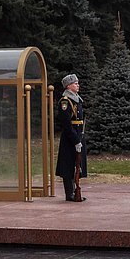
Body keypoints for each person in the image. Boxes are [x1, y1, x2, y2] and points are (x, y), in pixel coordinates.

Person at [55, 73, 87, 202]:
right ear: (68, 86)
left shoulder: (76, 99)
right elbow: (66, 124)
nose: (78, 85)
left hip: (78, 135)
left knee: (77, 165)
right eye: (75, 83)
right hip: (70, 138)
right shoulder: (65, 101)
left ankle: (75, 190)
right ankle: (70, 194)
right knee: (68, 166)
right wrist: (75, 140)